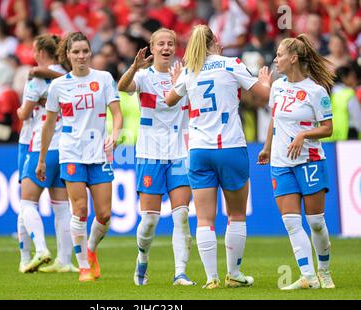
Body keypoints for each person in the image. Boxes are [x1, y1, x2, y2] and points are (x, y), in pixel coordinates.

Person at [165, 25, 271, 289]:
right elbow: (264, 95)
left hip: (199, 150)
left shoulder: (189, 70)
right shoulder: (230, 63)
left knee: (204, 218)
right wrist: (266, 81)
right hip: (230, 147)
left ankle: (211, 278)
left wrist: (175, 81)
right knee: (236, 215)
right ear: (216, 42)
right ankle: (233, 273)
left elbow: (169, 100)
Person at [36, 32, 123, 282]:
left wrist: (115, 134)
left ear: (90, 53)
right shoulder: (59, 86)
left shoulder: (104, 79)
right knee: (80, 209)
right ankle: (83, 266)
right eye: (76, 52)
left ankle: (91, 250)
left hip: (99, 153)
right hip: (71, 152)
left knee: (105, 214)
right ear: (68, 55)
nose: (81, 56)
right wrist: (42, 158)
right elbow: (49, 125)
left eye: (85, 50)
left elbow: (117, 114)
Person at [257, 34, 336, 290]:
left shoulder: (316, 91)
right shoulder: (278, 86)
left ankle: (324, 270)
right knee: (291, 222)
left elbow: (327, 129)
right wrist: (267, 147)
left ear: (293, 58)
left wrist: (304, 134)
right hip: (281, 163)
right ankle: (309, 277)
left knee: (315, 222)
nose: (275, 59)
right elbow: (274, 120)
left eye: (279, 55)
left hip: (309, 161)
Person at [117, 28, 195, 286]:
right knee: (150, 219)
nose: (165, 48)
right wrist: (134, 66)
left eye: (170, 44)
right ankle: (142, 259)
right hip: (150, 152)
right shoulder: (142, 76)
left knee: (181, 215)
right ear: (151, 48)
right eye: (160, 43)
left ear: (175, 48)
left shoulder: (186, 75)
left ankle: (180, 273)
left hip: (180, 152)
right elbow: (123, 87)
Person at [16, 34, 78, 274]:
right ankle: (64, 260)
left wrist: (22, 108)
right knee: (62, 206)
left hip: (39, 144)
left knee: (27, 202)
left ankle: (37, 250)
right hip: (66, 147)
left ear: (41, 52)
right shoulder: (69, 77)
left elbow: (23, 115)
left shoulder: (37, 78)